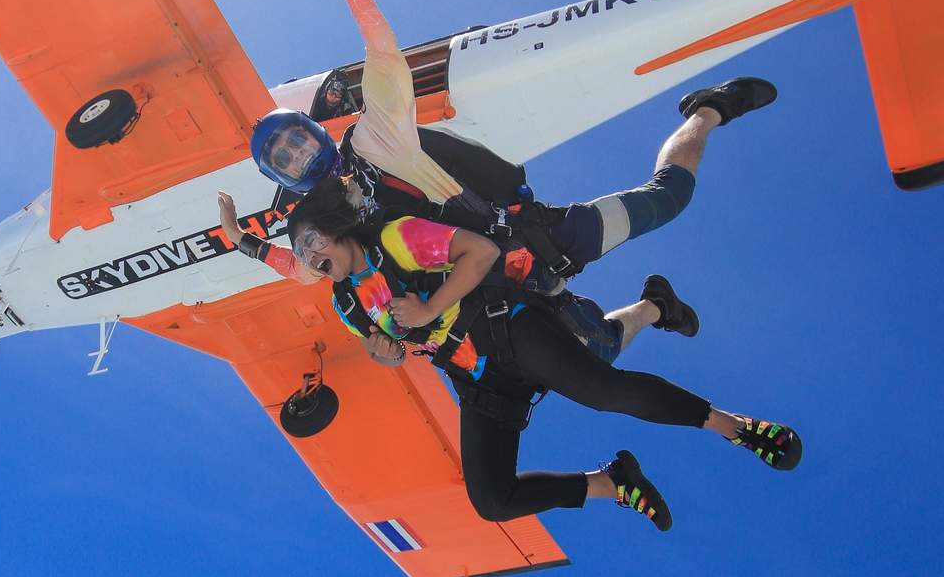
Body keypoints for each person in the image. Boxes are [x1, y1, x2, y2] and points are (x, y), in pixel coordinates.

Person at [244, 0, 777, 291]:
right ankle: (653, 308)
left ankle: (706, 110)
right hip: (506, 290)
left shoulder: (372, 139)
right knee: (592, 358)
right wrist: (242, 241)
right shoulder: (326, 224)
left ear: (313, 130)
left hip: (541, 236)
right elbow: (302, 272)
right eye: (284, 159)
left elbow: (380, 43)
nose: (297, 153)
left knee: (671, 200)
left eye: (294, 138)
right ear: (282, 178)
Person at [275, 183, 802, 531]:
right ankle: (613, 483)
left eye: (313, 240)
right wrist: (386, 355)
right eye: (303, 255)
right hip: (478, 378)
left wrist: (432, 303)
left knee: (604, 389)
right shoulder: (345, 301)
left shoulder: (396, 239)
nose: (313, 257)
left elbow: (479, 252)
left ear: (336, 227)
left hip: (505, 325)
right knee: (491, 501)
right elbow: (398, 350)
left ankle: (735, 427)